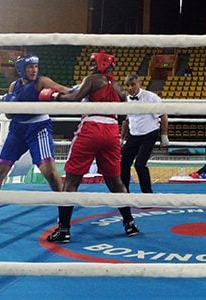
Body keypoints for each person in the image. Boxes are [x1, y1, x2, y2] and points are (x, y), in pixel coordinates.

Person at [39, 50, 138, 242]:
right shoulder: (118, 88)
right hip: (111, 131)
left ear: (102, 64)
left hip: (91, 128)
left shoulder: (92, 79)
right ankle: (130, 223)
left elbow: (74, 99)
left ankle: (64, 229)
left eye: (93, 63)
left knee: (71, 181)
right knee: (115, 181)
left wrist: (54, 96)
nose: (90, 66)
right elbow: (125, 110)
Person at [0, 54, 70, 230]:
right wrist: (9, 104)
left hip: (38, 127)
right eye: (30, 67)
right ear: (21, 69)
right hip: (17, 130)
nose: (34, 70)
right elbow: (9, 114)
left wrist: (80, 91)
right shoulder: (13, 86)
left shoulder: (42, 82)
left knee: (51, 174)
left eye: (36, 66)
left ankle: (63, 218)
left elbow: (64, 90)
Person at [120, 73, 169, 193]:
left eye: (133, 84)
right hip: (133, 135)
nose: (130, 88)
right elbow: (126, 120)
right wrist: (121, 138)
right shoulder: (126, 100)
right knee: (123, 164)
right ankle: (123, 194)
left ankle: (147, 195)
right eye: (127, 85)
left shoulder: (151, 97)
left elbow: (163, 116)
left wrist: (164, 135)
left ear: (139, 83)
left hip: (149, 134)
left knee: (140, 165)